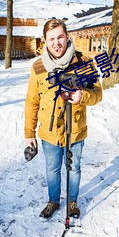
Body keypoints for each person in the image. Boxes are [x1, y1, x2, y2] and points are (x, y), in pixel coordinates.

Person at [24, 19, 102, 219]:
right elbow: (32, 101)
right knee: (52, 169)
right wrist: (29, 133)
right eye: (51, 39)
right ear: (45, 41)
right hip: (49, 132)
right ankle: (53, 201)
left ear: (67, 37)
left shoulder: (84, 62)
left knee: (74, 167)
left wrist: (82, 96)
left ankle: (73, 201)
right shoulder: (39, 67)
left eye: (60, 37)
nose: (56, 42)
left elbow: (98, 94)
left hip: (75, 129)